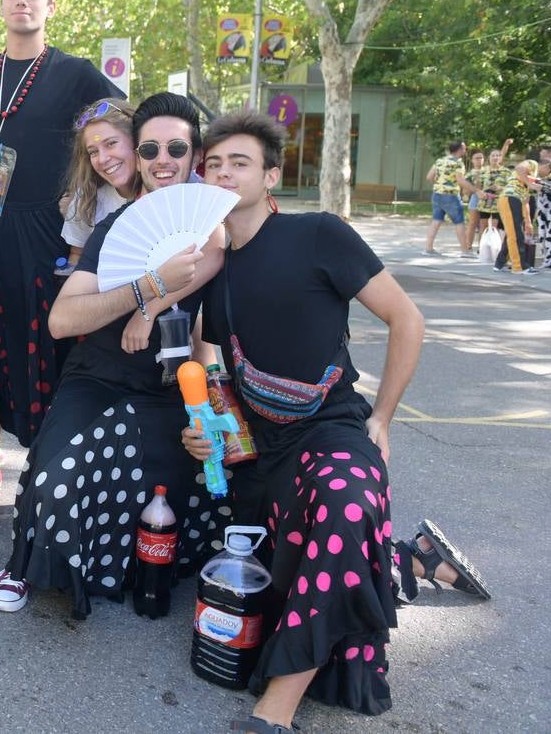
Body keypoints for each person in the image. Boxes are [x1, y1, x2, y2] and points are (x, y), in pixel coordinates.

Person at [188, 109, 489, 731]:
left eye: (238, 162)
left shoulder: (320, 234)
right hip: (261, 450)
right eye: (212, 163)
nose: (221, 172)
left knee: (347, 504)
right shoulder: (213, 272)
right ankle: (410, 558)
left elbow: (407, 320)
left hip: (332, 429)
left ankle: (276, 708)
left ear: (270, 176)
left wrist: (382, 419)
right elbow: (216, 374)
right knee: (285, 575)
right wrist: (205, 435)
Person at [0, 92, 221, 619]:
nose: (163, 160)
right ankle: (24, 561)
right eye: (150, 149)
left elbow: (213, 309)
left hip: (172, 387)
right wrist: (146, 289)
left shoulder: (214, 220)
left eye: (176, 148)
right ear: (139, 157)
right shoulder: (117, 227)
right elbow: (62, 321)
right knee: (55, 480)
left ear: (194, 154)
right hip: (99, 375)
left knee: (211, 483)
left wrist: (212, 401)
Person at [0, 0, 123, 468]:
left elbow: (126, 118)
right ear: (2, 2)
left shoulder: (76, 74)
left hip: (44, 229)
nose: (23, 1)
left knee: (39, 344)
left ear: (50, 5)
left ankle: (46, 459)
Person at [59, 97, 139, 267]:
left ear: (136, 140)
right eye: (93, 152)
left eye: (111, 143)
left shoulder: (162, 189)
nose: (102, 159)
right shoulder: (85, 201)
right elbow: (77, 256)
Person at [422, 140, 473, 255]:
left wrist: (439, 185)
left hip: (437, 194)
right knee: (459, 222)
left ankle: (428, 248)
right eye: (464, 148)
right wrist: (474, 189)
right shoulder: (458, 163)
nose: (465, 150)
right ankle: (465, 251)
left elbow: (429, 177)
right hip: (451, 196)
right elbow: (460, 180)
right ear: (459, 149)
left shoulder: (440, 161)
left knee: (436, 221)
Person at [493, 160, 538, 274]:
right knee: (516, 235)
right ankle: (519, 267)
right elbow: (519, 167)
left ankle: (500, 263)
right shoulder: (531, 163)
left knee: (512, 233)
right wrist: (530, 184)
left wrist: (528, 222)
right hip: (510, 198)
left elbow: (526, 201)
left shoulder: (527, 178)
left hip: (513, 200)